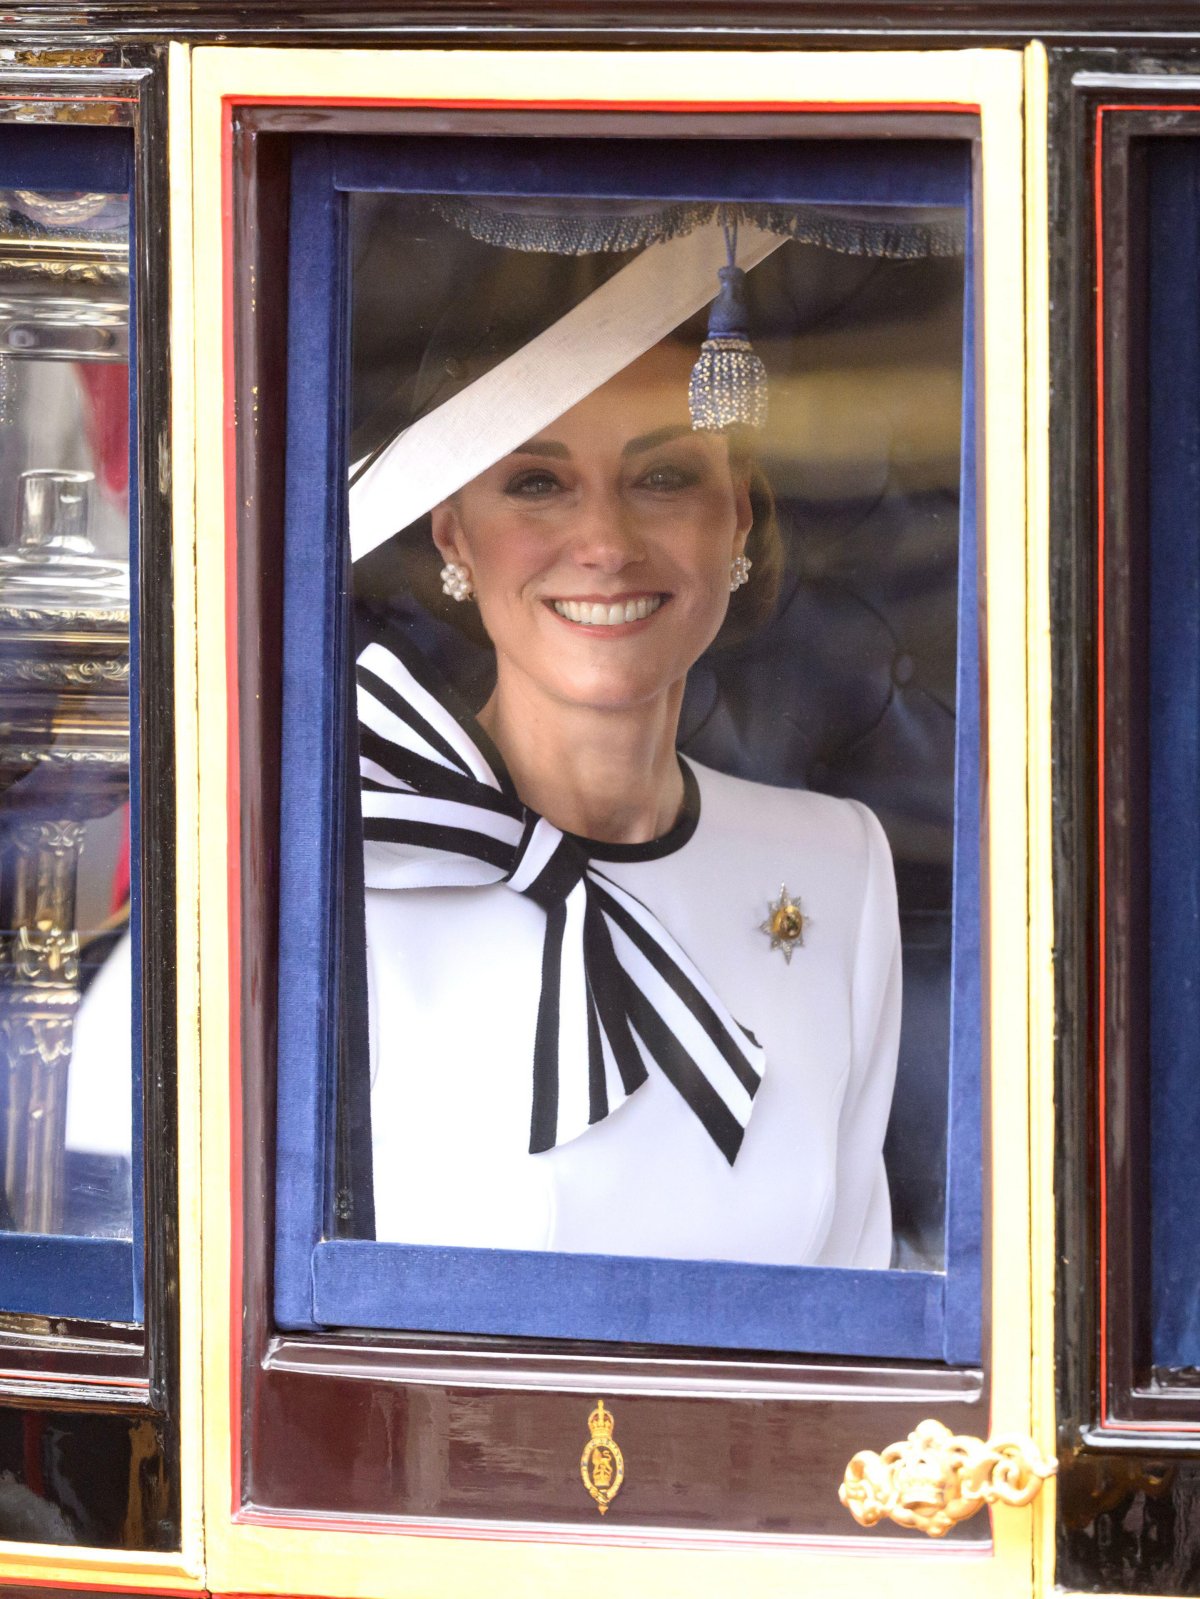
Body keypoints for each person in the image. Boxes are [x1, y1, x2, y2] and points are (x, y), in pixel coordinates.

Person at [356, 328, 902, 1269]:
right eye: (538, 482)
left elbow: (858, 1295)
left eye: (662, 478)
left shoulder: (838, 867)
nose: (606, 543)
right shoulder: (344, 865)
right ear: (454, 533)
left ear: (736, 517)